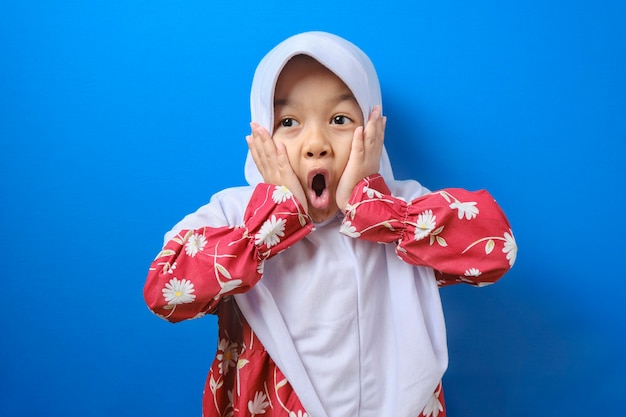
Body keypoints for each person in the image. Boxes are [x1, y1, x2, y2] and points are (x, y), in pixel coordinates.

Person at [144, 31, 517, 417]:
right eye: (288, 122)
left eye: (339, 119)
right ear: (261, 138)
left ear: (372, 132)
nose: (316, 143)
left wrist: (373, 207)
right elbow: (164, 293)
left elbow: (497, 249)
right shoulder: (236, 216)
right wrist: (273, 221)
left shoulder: (400, 208)